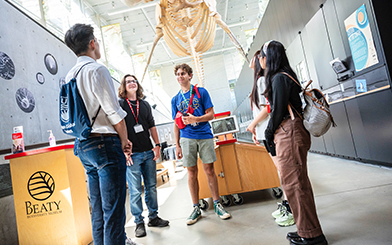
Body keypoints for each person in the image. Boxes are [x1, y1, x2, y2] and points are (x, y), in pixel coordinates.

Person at [64, 24, 135, 245]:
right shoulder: (97, 69)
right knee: (113, 211)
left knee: (98, 211)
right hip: (104, 144)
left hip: (84, 144)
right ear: (92, 43)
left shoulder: (70, 74)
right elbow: (114, 112)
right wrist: (125, 140)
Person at [259, 40, 328, 245]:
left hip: (289, 133)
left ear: (269, 57)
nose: (261, 60)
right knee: (296, 184)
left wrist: (268, 134)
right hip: (292, 131)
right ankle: (307, 230)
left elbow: (278, 111)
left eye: (262, 56)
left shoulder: (279, 78)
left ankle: (313, 237)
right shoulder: (286, 75)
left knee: (295, 185)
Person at [171, 63, 231, 225]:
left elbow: (211, 114)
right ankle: (196, 207)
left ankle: (218, 204)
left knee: (209, 169)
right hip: (186, 138)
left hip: (204, 135)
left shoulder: (201, 92)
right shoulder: (175, 99)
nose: (180, 76)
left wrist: (196, 119)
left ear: (190, 75)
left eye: (183, 73)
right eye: (177, 74)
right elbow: (176, 124)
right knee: (191, 172)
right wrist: (177, 145)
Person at [246, 50, 294, 227]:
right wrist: (255, 129)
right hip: (263, 131)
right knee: (281, 171)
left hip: (269, 131)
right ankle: (287, 204)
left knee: (283, 171)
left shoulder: (261, 80)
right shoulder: (259, 80)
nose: (255, 58)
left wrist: (252, 125)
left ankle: (290, 207)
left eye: (258, 56)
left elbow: (268, 108)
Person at [118, 74, 169, 237]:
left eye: (134, 81)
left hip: (148, 151)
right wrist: (123, 150)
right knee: (134, 191)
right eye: (128, 82)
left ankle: (153, 217)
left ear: (138, 85)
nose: (131, 83)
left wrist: (157, 146)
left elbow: (152, 127)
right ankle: (139, 222)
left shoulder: (145, 105)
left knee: (151, 187)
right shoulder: (120, 105)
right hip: (132, 155)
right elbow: (117, 128)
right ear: (123, 86)